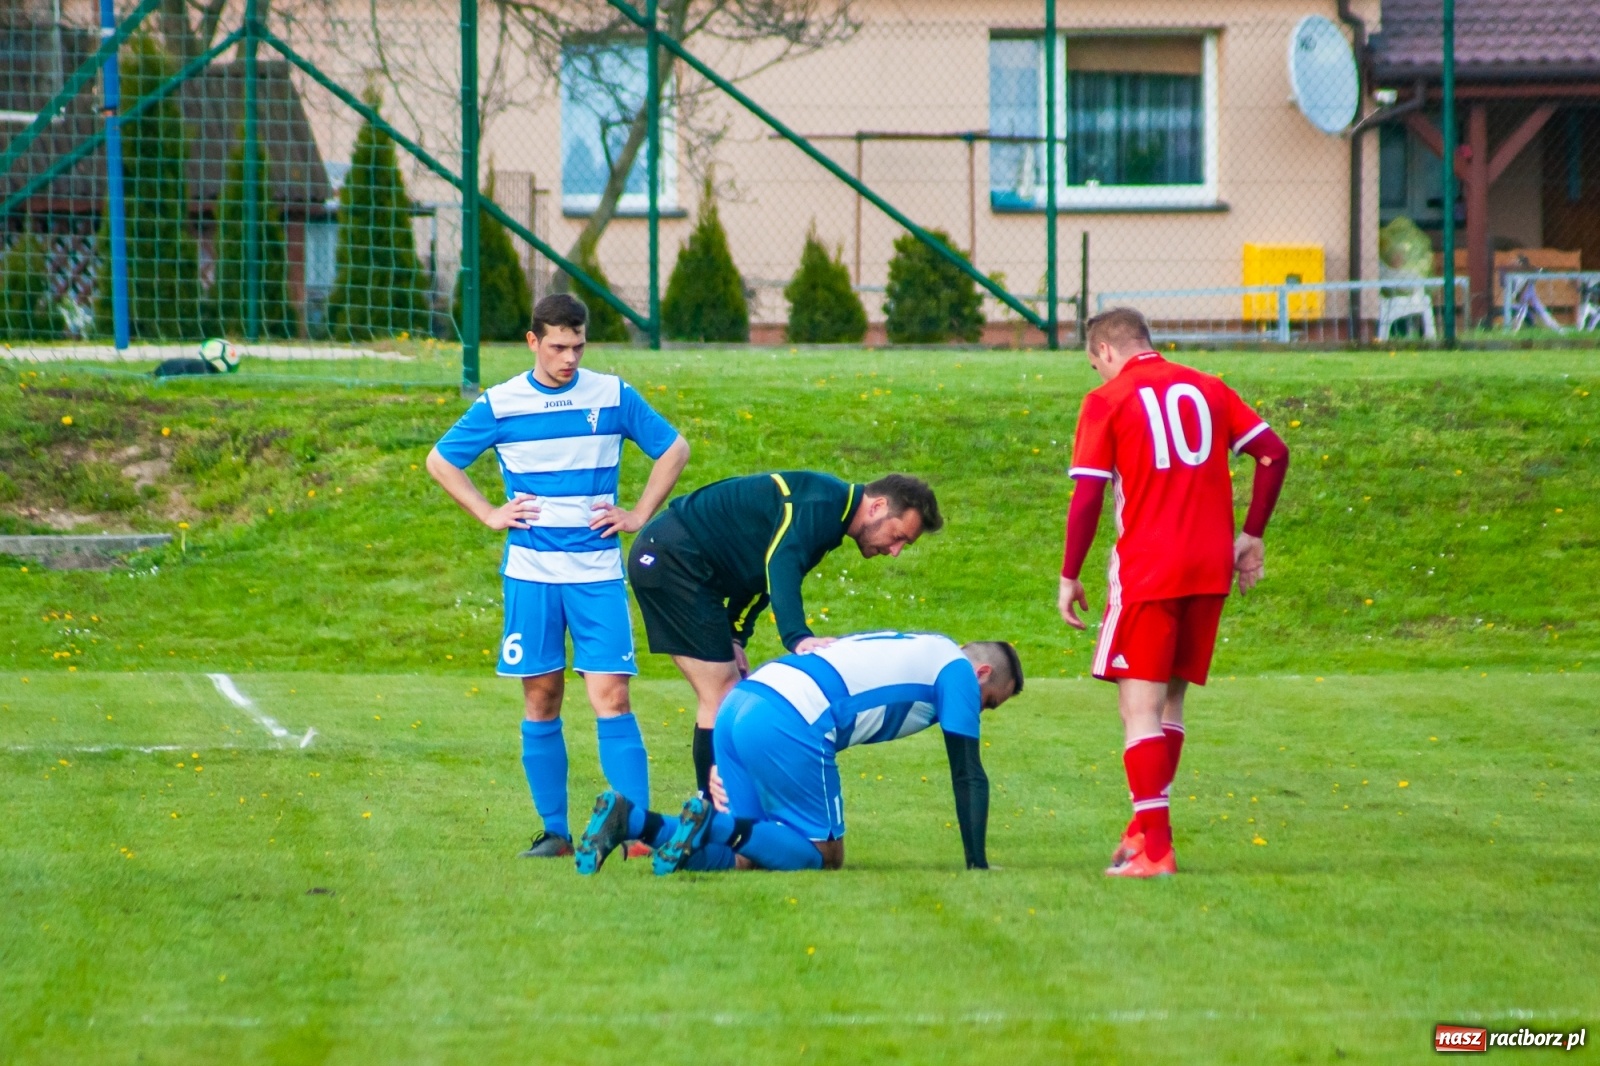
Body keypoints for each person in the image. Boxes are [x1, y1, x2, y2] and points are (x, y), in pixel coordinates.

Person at [426, 293, 691, 858]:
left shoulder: (612, 394)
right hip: (531, 575)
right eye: (557, 347)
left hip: (596, 575)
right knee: (542, 698)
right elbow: (441, 460)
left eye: (577, 346)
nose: (569, 358)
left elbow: (674, 449)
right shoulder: (502, 403)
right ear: (533, 342)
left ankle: (638, 833)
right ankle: (556, 833)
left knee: (611, 697)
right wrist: (489, 513)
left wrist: (638, 514)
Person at [1058, 307, 1288, 878]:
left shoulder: (1107, 400)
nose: (1098, 376)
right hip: (1209, 568)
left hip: (1149, 570)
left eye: (1095, 366)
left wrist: (1068, 575)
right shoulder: (1208, 388)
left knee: (1137, 708)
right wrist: (1251, 536)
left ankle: (1156, 852)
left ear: (1107, 352)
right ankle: (1142, 831)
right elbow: (1273, 453)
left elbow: (1087, 497)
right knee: (1171, 703)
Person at [572, 631, 1022, 876]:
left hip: (745, 701)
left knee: (752, 854)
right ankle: (712, 820)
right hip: (794, 715)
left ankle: (633, 820)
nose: (979, 710)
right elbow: (967, 772)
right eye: (990, 701)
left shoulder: (919, 642)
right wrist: (977, 864)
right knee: (824, 855)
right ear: (982, 673)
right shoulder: (959, 671)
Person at [626, 471, 942, 794]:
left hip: (680, 562)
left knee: (728, 691)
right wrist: (798, 637)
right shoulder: (821, 505)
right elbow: (781, 563)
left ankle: (716, 812)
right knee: (721, 694)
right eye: (899, 536)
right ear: (877, 507)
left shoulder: (828, 510)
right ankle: (711, 813)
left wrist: (735, 636)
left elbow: (756, 570)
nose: (895, 551)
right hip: (671, 559)